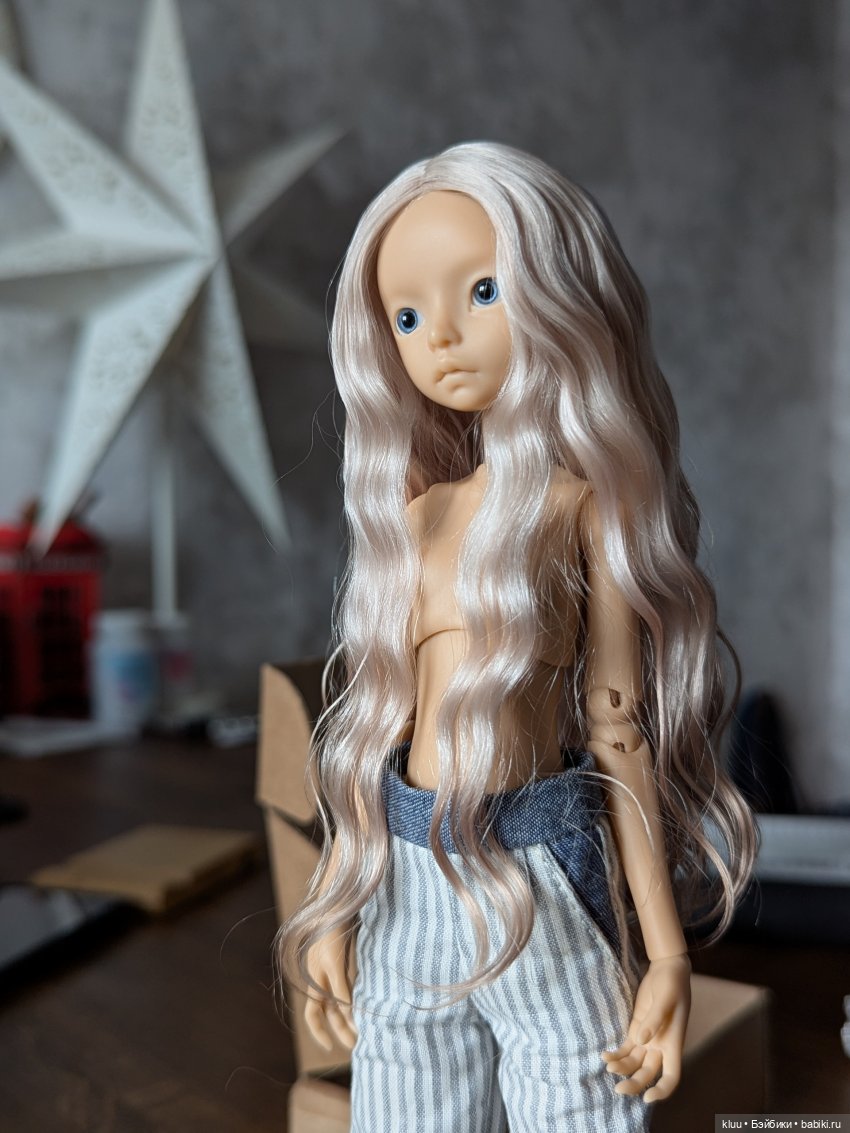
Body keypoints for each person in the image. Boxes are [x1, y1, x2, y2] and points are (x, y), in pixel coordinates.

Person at [279, 142, 756, 1132]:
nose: (442, 337)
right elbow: (377, 718)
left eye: (482, 291)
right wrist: (339, 897)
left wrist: (665, 954)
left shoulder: (583, 507)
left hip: (538, 865)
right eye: (407, 317)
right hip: (404, 871)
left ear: (557, 296)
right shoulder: (415, 516)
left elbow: (616, 726)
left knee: (577, 1102)